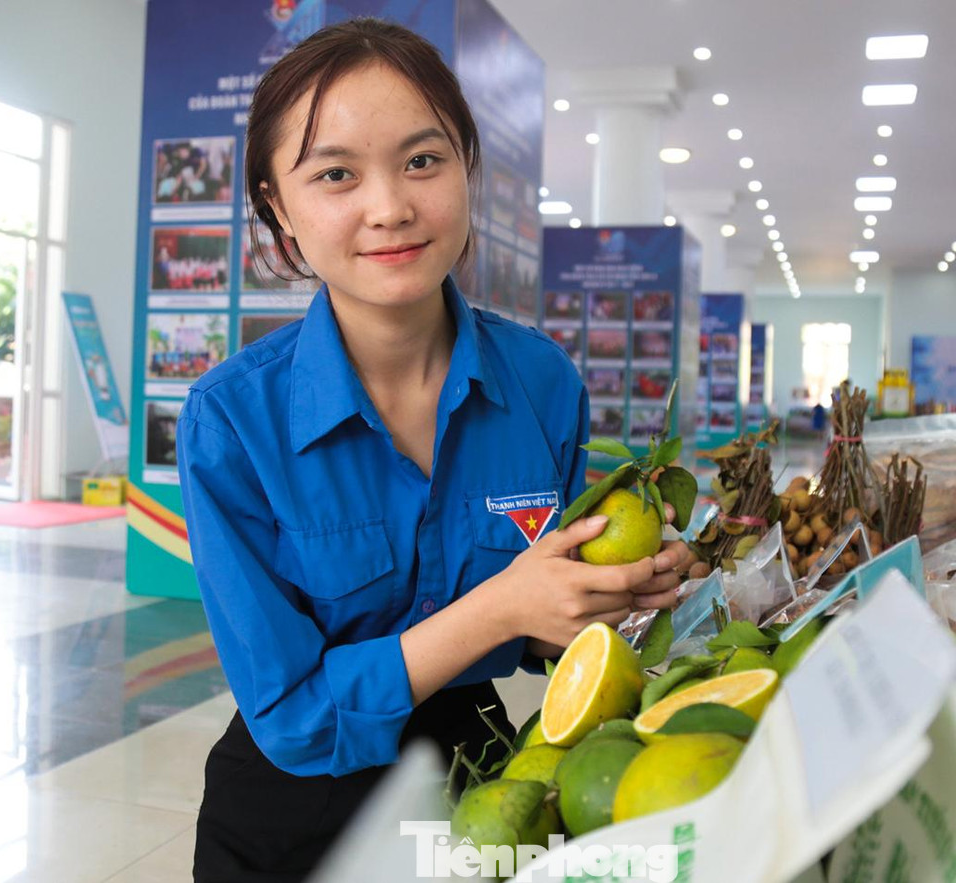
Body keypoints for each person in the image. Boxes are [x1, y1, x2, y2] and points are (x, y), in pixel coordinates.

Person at [175, 19, 701, 882]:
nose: (390, 207)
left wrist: (613, 598)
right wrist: (502, 607)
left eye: (423, 160)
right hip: (291, 814)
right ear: (279, 208)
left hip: (488, 784)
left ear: (466, 169)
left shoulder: (543, 383)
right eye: (336, 174)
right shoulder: (232, 422)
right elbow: (295, 714)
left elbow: (547, 640)